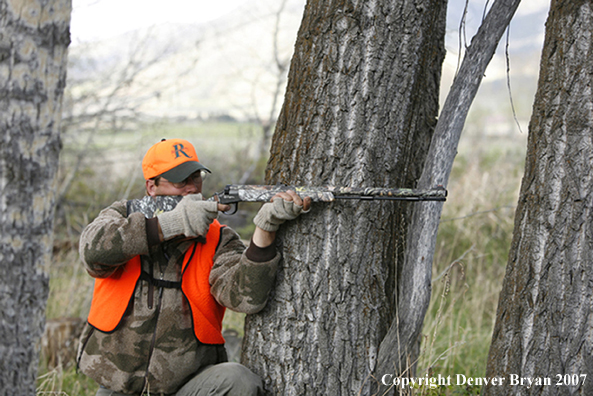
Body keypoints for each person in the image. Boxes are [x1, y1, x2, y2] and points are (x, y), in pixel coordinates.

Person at [76, 138, 311, 396]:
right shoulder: (123, 215)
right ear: (151, 187)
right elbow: (93, 252)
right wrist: (171, 224)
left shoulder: (218, 237)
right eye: (180, 181)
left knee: (239, 381)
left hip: (186, 388)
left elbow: (246, 299)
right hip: (118, 388)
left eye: (195, 178)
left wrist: (265, 229)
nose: (191, 189)